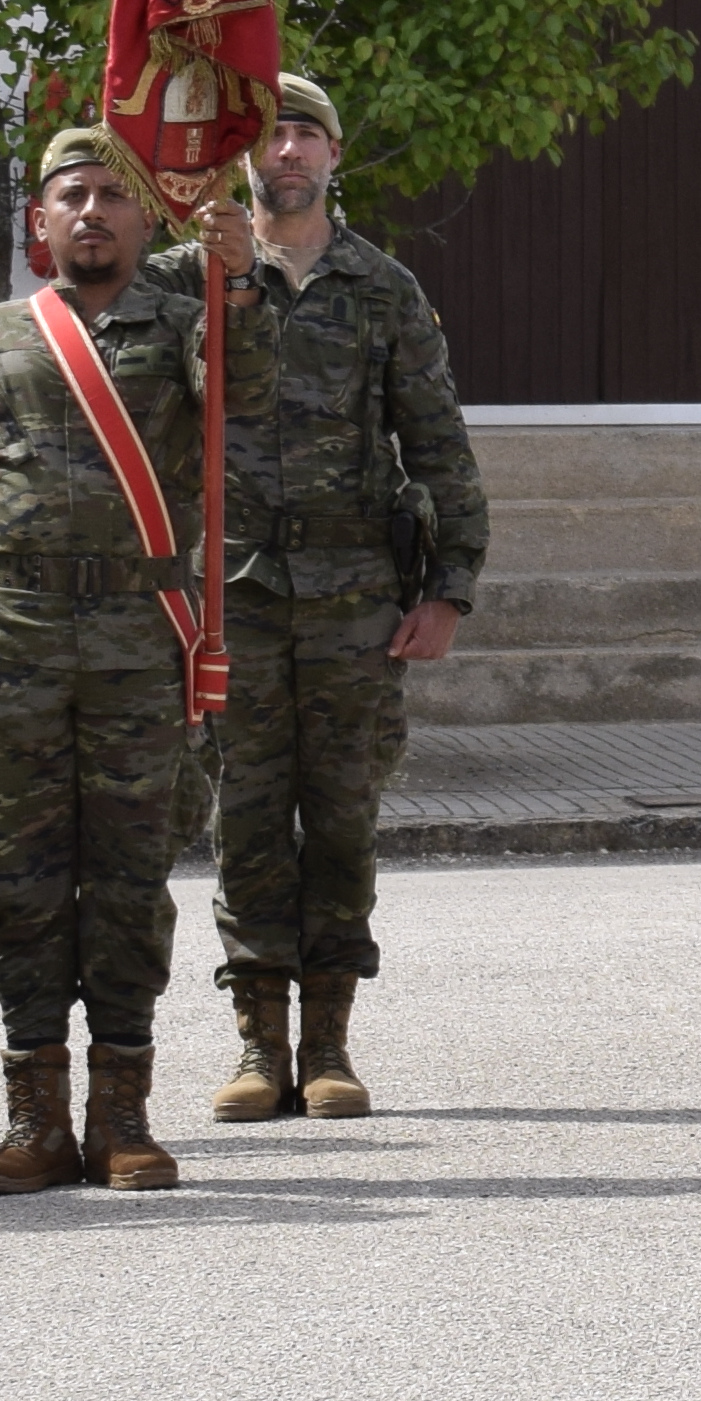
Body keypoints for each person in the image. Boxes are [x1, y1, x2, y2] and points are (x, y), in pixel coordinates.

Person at [0, 125, 256, 1194]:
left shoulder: (192, 327)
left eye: (112, 195)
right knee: (21, 877)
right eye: (71, 197)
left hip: (142, 643)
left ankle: (124, 1116)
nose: (91, 211)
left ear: (148, 221)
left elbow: (255, 397)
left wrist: (237, 290)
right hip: (10, 639)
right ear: (37, 222)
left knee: (133, 877)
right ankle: (34, 1120)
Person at [169, 75, 483, 1129]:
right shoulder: (188, 279)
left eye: (306, 133)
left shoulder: (382, 286)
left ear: (335, 155)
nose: (288, 151)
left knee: (342, 817)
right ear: (241, 159)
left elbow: (437, 441)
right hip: (235, 595)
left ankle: (332, 1042)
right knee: (246, 814)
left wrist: (450, 590)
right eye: (269, 135)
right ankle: (259, 1045)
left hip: (356, 597)